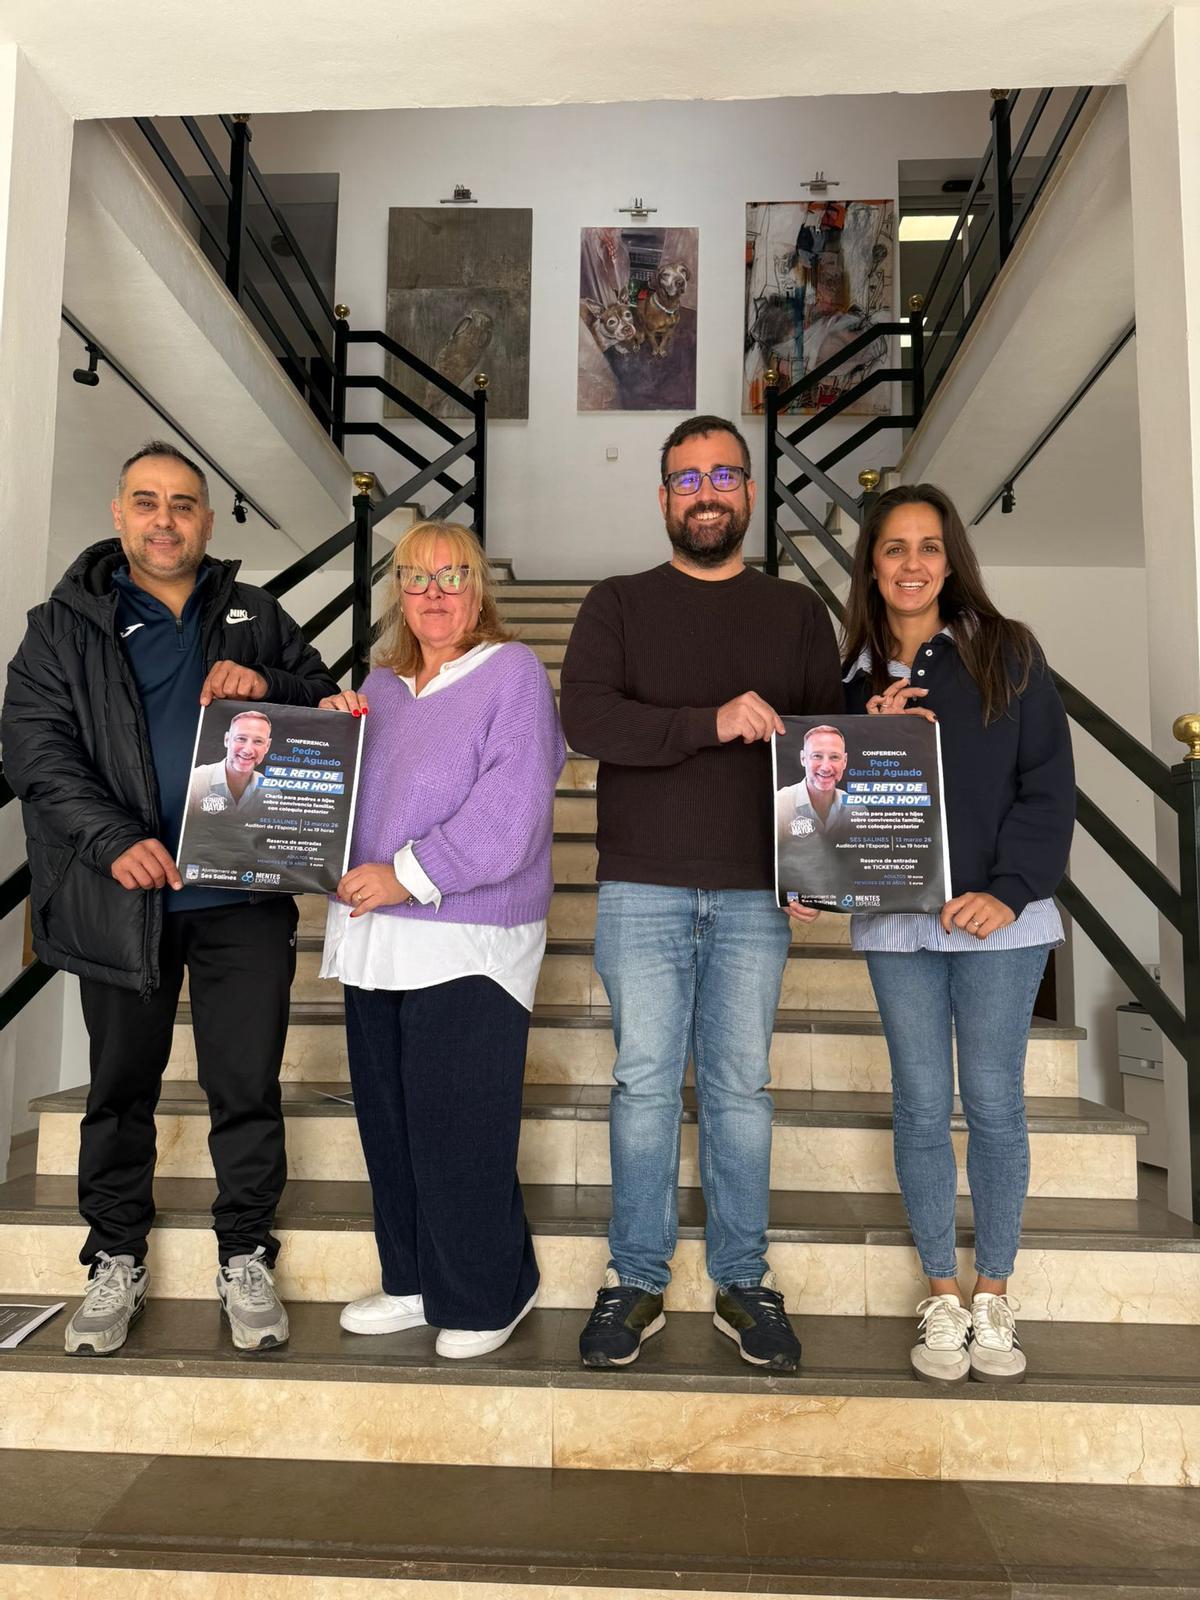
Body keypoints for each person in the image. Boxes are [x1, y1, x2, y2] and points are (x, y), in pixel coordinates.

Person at [1, 441, 338, 1356]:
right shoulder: (61, 627)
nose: (164, 519)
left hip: (242, 896)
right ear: (118, 513)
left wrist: (268, 683)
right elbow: (33, 747)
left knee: (246, 1085)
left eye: (183, 503)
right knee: (119, 1090)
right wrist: (114, 840)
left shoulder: (255, 612)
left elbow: (325, 702)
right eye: (146, 501)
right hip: (120, 902)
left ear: (207, 521)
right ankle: (115, 1257)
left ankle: (246, 1254)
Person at [560, 414, 843, 1372]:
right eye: (689, 478)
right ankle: (636, 1277)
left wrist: (814, 870)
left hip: (756, 893)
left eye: (725, 475)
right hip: (641, 884)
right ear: (663, 496)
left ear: (751, 491)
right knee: (643, 1084)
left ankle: (742, 1280)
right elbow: (589, 720)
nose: (708, 493)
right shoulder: (617, 603)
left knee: (739, 1090)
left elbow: (824, 745)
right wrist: (707, 722)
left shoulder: (797, 612)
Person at [841, 482, 1074, 1385]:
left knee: (994, 1104)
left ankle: (994, 1292)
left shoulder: (1008, 652)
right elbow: (827, 814)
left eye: (928, 546)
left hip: (998, 926)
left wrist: (1009, 891)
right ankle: (942, 1292)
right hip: (897, 924)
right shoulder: (852, 678)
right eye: (894, 547)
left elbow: (1047, 781)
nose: (912, 564)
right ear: (871, 564)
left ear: (951, 560)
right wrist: (867, 741)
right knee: (918, 1104)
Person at [319, 520, 564, 1359]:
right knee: (390, 1126)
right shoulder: (379, 688)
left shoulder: (513, 673)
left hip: (468, 941)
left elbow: (512, 813)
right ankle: (414, 1282)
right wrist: (329, 741)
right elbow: (350, 800)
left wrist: (409, 873)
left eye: (452, 575)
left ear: (478, 586)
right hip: (375, 941)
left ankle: (491, 1291)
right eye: (416, 577)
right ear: (397, 591)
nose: (434, 592)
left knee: (459, 1129)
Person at [185, 708, 273, 820]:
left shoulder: (271, 791)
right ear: (227, 739)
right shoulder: (195, 781)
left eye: (258, 741)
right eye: (241, 739)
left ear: (267, 746)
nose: (247, 750)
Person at [775, 723, 854, 845]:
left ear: (844, 761)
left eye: (834, 757)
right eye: (817, 756)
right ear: (803, 758)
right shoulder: (780, 804)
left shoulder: (855, 808)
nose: (826, 768)